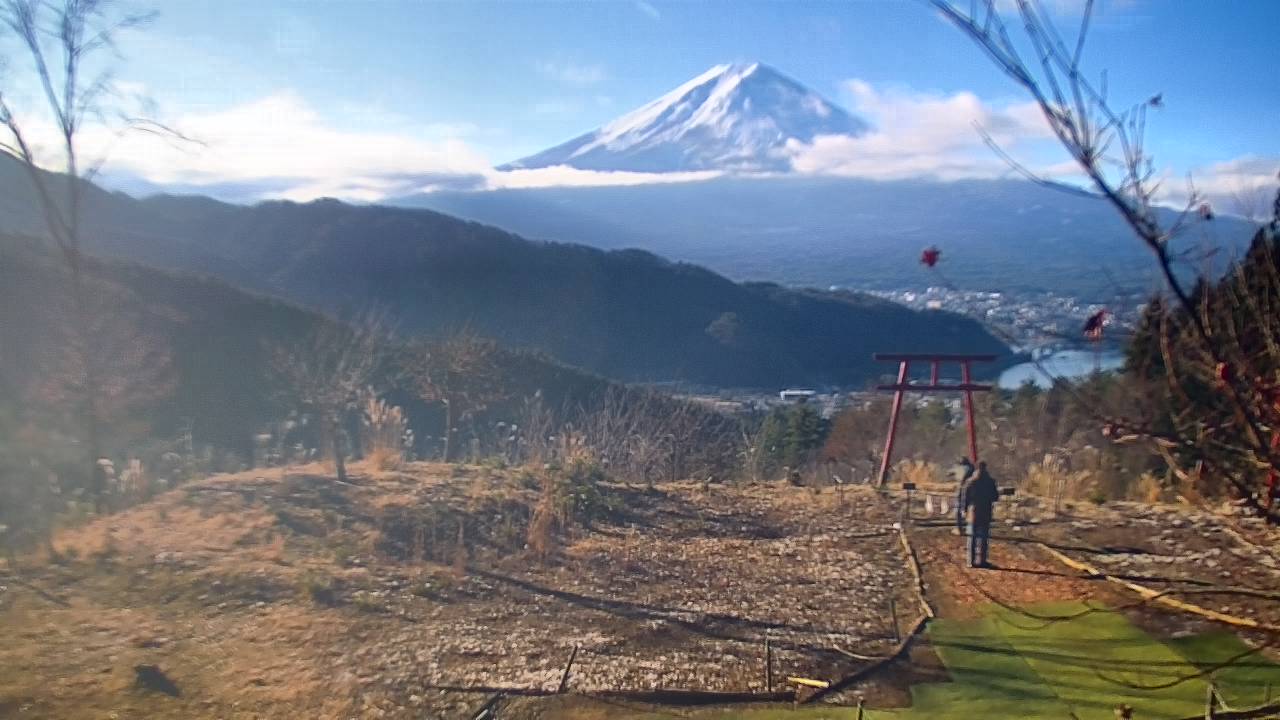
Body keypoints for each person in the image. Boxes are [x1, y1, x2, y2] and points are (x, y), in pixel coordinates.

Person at [963, 461, 999, 568]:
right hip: (986, 511)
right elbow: (995, 497)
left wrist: (965, 509)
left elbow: (966, 498)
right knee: (983, 538)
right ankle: (982, 560)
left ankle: (971, 560)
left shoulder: (970, 482)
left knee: (972, 537)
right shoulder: (990, 481)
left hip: (973, 512)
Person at [949, 456, 975, 535]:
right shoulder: (971, 468)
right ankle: (970, 528)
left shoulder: (959, 468)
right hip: (971, 489)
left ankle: (959, 528)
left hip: (961, 488)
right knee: (970, 508)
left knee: (959, 509)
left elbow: (949, 473)